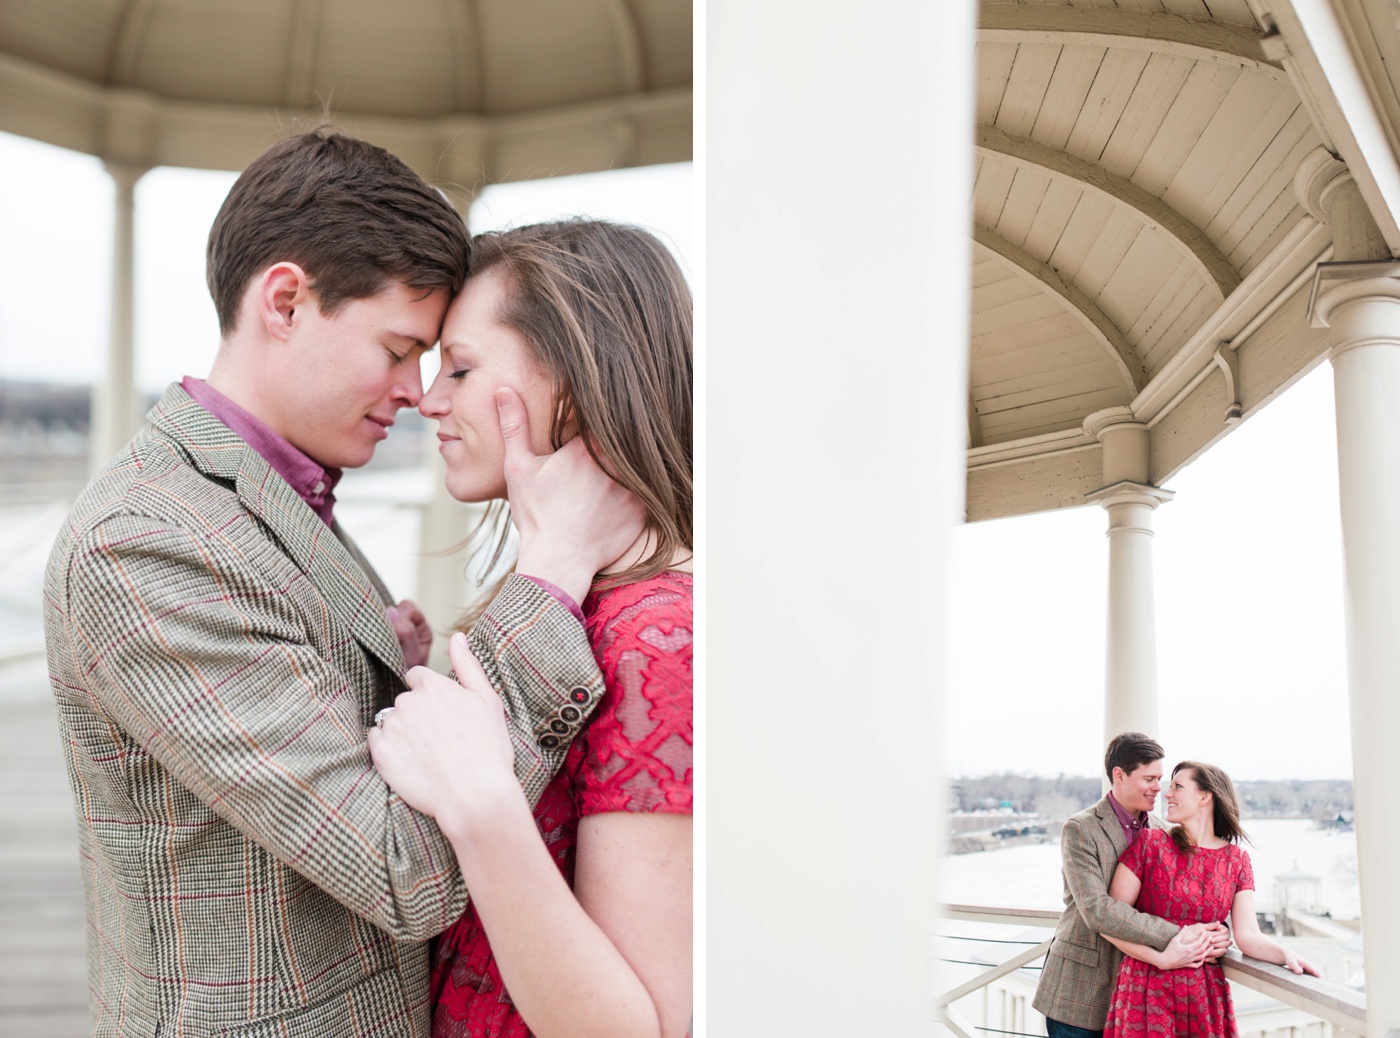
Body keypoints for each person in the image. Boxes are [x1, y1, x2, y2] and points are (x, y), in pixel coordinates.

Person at [42, 130, 644, 1038]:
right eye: (400, 348)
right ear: (285, 300)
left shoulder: (272, 494)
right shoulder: (148, 542)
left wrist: (376, 680)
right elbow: (408, 870)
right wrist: (553, 571)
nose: (418, 391)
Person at [368, 219, 693, 1038]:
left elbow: (638, 1028)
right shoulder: (590, 609)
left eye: (463, 367)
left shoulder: (659, 641)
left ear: (579, 385)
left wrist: (482, 802)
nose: (429, 398)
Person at [1033, 732, 1232, 1038]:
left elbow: (1184, 898)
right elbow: (1096, 910)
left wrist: (1217, 934)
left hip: (1142, 993)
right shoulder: (1080, 829)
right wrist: (1182, 935)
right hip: (1081, 991)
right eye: (1149, 778)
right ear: (1119, 775)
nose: (1159, 789)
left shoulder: (1167, 832)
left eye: (1161, 779)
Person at [1101, 761, 1319, 1036]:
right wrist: (1161, 959)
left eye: (1178, 786)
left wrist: (1286, 954)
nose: (1167, 794)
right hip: (1146, 988)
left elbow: (1249, 935)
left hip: (1203, 994)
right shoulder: (1150, 843)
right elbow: (1109, 920)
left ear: (1205, 796)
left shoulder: (1236, 860)